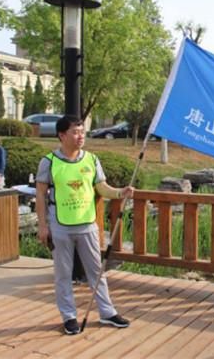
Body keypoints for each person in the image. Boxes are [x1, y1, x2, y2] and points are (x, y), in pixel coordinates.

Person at [36, 115, 134, 335]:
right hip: (60, 225)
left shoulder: (91, 159)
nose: (80, 136)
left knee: (97, 272)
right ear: (62, 135)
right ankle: (69, 316)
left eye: (82, 131)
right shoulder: (49, 161)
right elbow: (41, 196)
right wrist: (43, 226)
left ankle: (107, 312)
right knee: (63, 274)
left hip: (88, 225)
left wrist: (120, 192)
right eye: (75, 132)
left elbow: (102, 188)